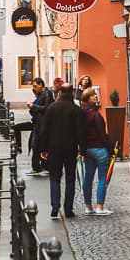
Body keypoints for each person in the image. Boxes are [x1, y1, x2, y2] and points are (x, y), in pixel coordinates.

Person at [40, 82, 87, 217]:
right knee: (70, 178)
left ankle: (55, 206)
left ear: (60, 92)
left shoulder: (51, 108)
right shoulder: (76, 110)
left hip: (54, 148)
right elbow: (81, 133)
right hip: (70, 148)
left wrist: (43, 148)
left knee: (54, 177)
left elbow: (45, 130)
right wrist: (83, 150)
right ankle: (68, 209)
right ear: (72, 93)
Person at [80, 87, 115, 215]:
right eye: (92, 95)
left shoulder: (80, 114)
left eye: (95, 94)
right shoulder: (95, 115)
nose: (95, 96)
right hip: (100, 149)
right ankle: (100, 207)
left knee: (88, 178)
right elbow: (102, 134)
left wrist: (82, 150)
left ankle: (88, 206)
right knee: (102, 179)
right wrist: (111, 150)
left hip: (87, 150)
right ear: (87, 98)